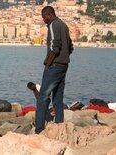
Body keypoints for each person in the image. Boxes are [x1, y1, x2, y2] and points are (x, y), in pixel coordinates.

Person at [35, 6, 73, 134]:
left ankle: (39, 129)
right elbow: (70, 46)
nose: (43, 20)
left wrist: (48, 64)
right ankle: (59, 125)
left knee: (43, 97)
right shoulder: (64, 25)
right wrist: (64, 57)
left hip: (54, 66)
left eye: (44, 17)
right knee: (58, 97)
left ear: (49, 15)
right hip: (64, 65)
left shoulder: (53, 25)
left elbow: (54, 47)